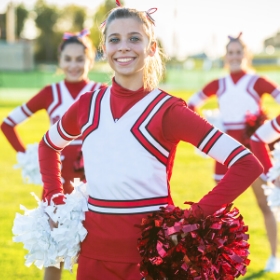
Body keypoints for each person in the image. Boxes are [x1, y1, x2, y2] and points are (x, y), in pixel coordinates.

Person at [38, 5, 263, 280]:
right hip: (93, 255)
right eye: (114, 39)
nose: (123, 47)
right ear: (104, 48)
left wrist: (190, 219)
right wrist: (54, 198)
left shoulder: (168, 111)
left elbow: (246, 163)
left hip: (150, 257)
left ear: (152, 48)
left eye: (134, 38)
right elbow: (48, 145)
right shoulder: (88, 104)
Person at [1, 29, 103, 280]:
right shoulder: (51, 93)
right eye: (68, 59)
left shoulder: (102, 92)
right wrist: (27, 156)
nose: (74, 65)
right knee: (54, 254)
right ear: (60, 61)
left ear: (90, 60)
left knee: (95, 255)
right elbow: (7, 123)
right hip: (57, 181)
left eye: (80, 59)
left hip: (96, 183)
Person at [187, 33, 280, 272]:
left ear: (246, 55)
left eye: (239, 52)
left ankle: (274, 257)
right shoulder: (219, 84)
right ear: (226, 57)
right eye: (231, 53)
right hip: (225, 152)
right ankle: (212, 263)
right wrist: (212, 126)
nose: (235, 56)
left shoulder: (256, 81)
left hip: (255, 149)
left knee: (264, 204)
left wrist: (264, 126)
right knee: (217, 211)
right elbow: (191, 105)